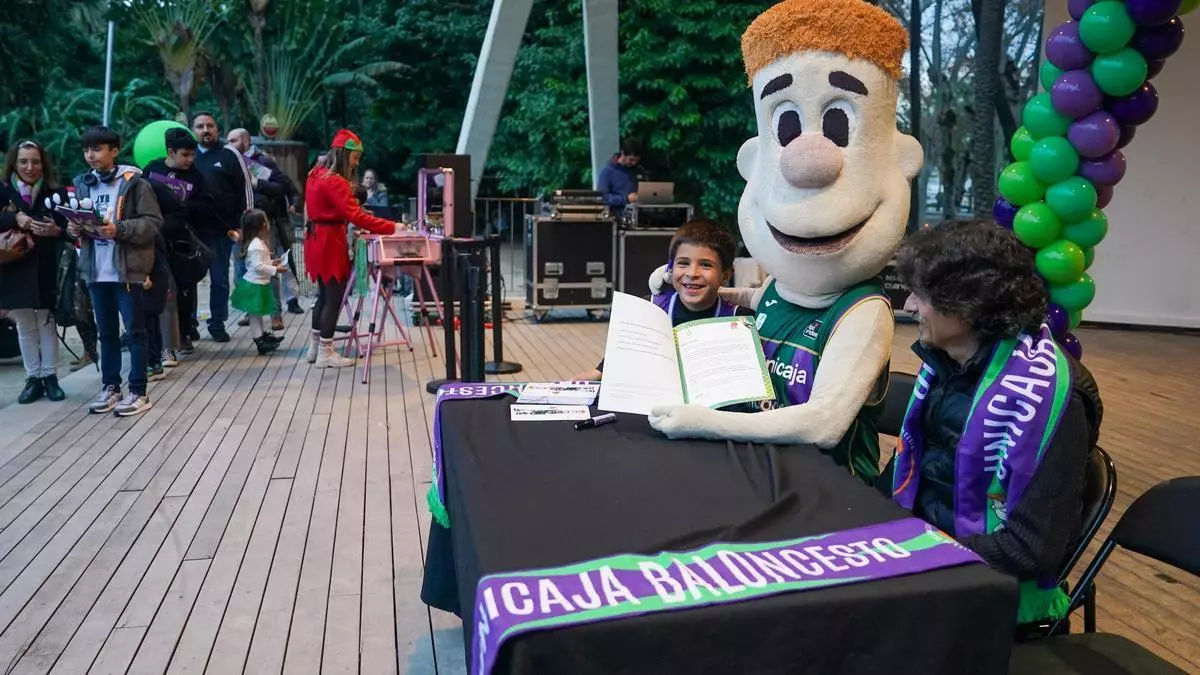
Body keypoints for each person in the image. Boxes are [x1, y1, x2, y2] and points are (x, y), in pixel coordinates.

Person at [878, 219, 1102, 632]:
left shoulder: (1054, 396)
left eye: (921, 295)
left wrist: (910, 554)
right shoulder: (947, 363)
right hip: (927, 554)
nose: (908, 305)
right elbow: (905, 473)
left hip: (990, 593)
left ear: (968, 305)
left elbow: (1028, 550)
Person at [576, 218, 752, 381]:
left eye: (706, 265)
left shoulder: (741, 320)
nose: (692, 273)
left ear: (726, 274)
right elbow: (620, 356)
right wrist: (598, 373)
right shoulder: (649, 308)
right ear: (670, 268)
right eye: (683, 263)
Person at [69, 126, 163, 416]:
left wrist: (119, 229)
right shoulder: (83, 183)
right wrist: (74, 228)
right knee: (106, 333)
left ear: (115, 151)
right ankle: (111, 387)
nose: (90, 155)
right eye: (87, 150)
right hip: (96, 271)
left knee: (134, 333)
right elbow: (79, 223)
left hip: (127, 271)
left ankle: (139, 391)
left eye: (97, 149)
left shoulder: (135, 183)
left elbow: (153, 222)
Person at [303, 129, 398, 368]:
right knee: (334, 297)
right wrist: (392, 227)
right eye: (355, 158)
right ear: (344, 155)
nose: (356, 164)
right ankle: (326, 351)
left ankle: (315, 348)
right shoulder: (335, 182)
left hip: (314, 237)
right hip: (329, 240)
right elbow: (356, 216)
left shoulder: (315, 174)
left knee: (323, 295)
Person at [0, 139, 69, 404]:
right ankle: (33, 378)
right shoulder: (4, 191)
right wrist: (13, 218)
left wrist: (56, 231)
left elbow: (71, 229)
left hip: (46, 267)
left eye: (35, 161)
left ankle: (50, 377)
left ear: (43, 164)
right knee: (25, 325)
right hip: (14, 266)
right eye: (23, 161)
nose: (30, 167)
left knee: (46, 323)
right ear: (14, 163)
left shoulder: (56, 192)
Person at [228, 128, 303, 320]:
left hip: (264, 222)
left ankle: (276, 311)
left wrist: (258, 184)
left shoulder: (261, 162)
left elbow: (282, 188)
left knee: (269, 264)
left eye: (233, 140)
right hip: (238, 223)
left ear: (245, 141)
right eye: (228, 141)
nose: (229, 145)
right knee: (241, 268)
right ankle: (249, 310)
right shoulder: (228, 162)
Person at [191, 112, 251, 342]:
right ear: (193, 130)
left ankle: (217, 322)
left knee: (219, 279)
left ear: (217, 129)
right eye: (200, 126)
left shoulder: (229, 155)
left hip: (222, 230)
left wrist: (244, 225)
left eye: (210, 125)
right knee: (189, 279)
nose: (205, 130)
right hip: (192, 231)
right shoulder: (187, 155)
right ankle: (189, 324)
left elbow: (244, 191)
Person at [230, 209, 286, 355]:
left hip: (259, 284)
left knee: (257, 314)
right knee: (255, 315)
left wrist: (273, 262)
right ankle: (259, 340)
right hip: (255, 285)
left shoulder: (257, 243)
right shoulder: (256, 245)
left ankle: (262, 336)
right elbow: (258, 266)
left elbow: (260, 262)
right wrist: (275, 270)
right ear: (262, 225)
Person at [596, 138, 642, 209]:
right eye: (631, 160)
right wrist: (626, 199)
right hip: (617, 212)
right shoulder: (608, 171)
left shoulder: (638, 170)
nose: (634, 163)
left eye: (637, 160)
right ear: (622, 154)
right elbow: (603, 197)